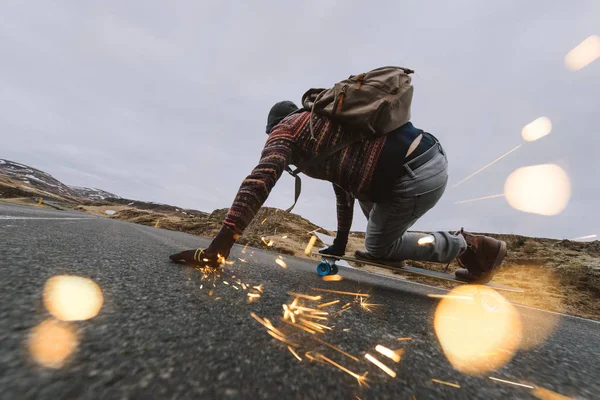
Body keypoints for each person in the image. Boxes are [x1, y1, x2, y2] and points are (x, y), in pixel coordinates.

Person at [170, 101, 507, 283]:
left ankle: (471, 246)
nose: (272, 141)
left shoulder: (287, 129)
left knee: (378, 245)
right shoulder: (323, 126)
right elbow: (346, 188)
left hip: (415, 172)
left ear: (274, 127)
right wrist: (342, 242)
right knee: (373, 220)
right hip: (419, 160)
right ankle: (395, 246)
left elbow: (261, 178)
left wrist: (220, 245)